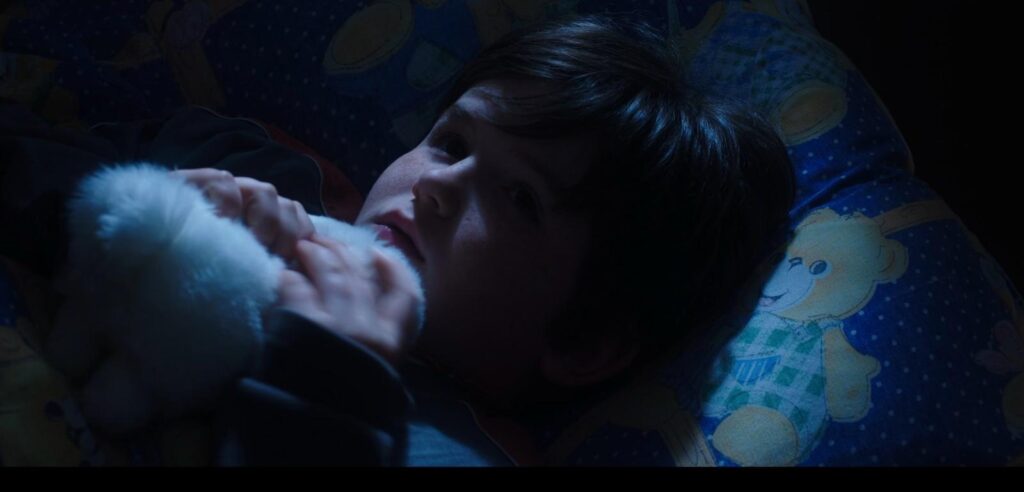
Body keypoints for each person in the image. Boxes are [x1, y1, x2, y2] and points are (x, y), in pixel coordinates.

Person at [0, 15, 795, 466]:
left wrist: (329, 376)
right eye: (451, 143)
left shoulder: (457, 447)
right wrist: (134, 211)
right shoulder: (262, 170)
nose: (436, 185)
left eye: (520, 197)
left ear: (582, 343)